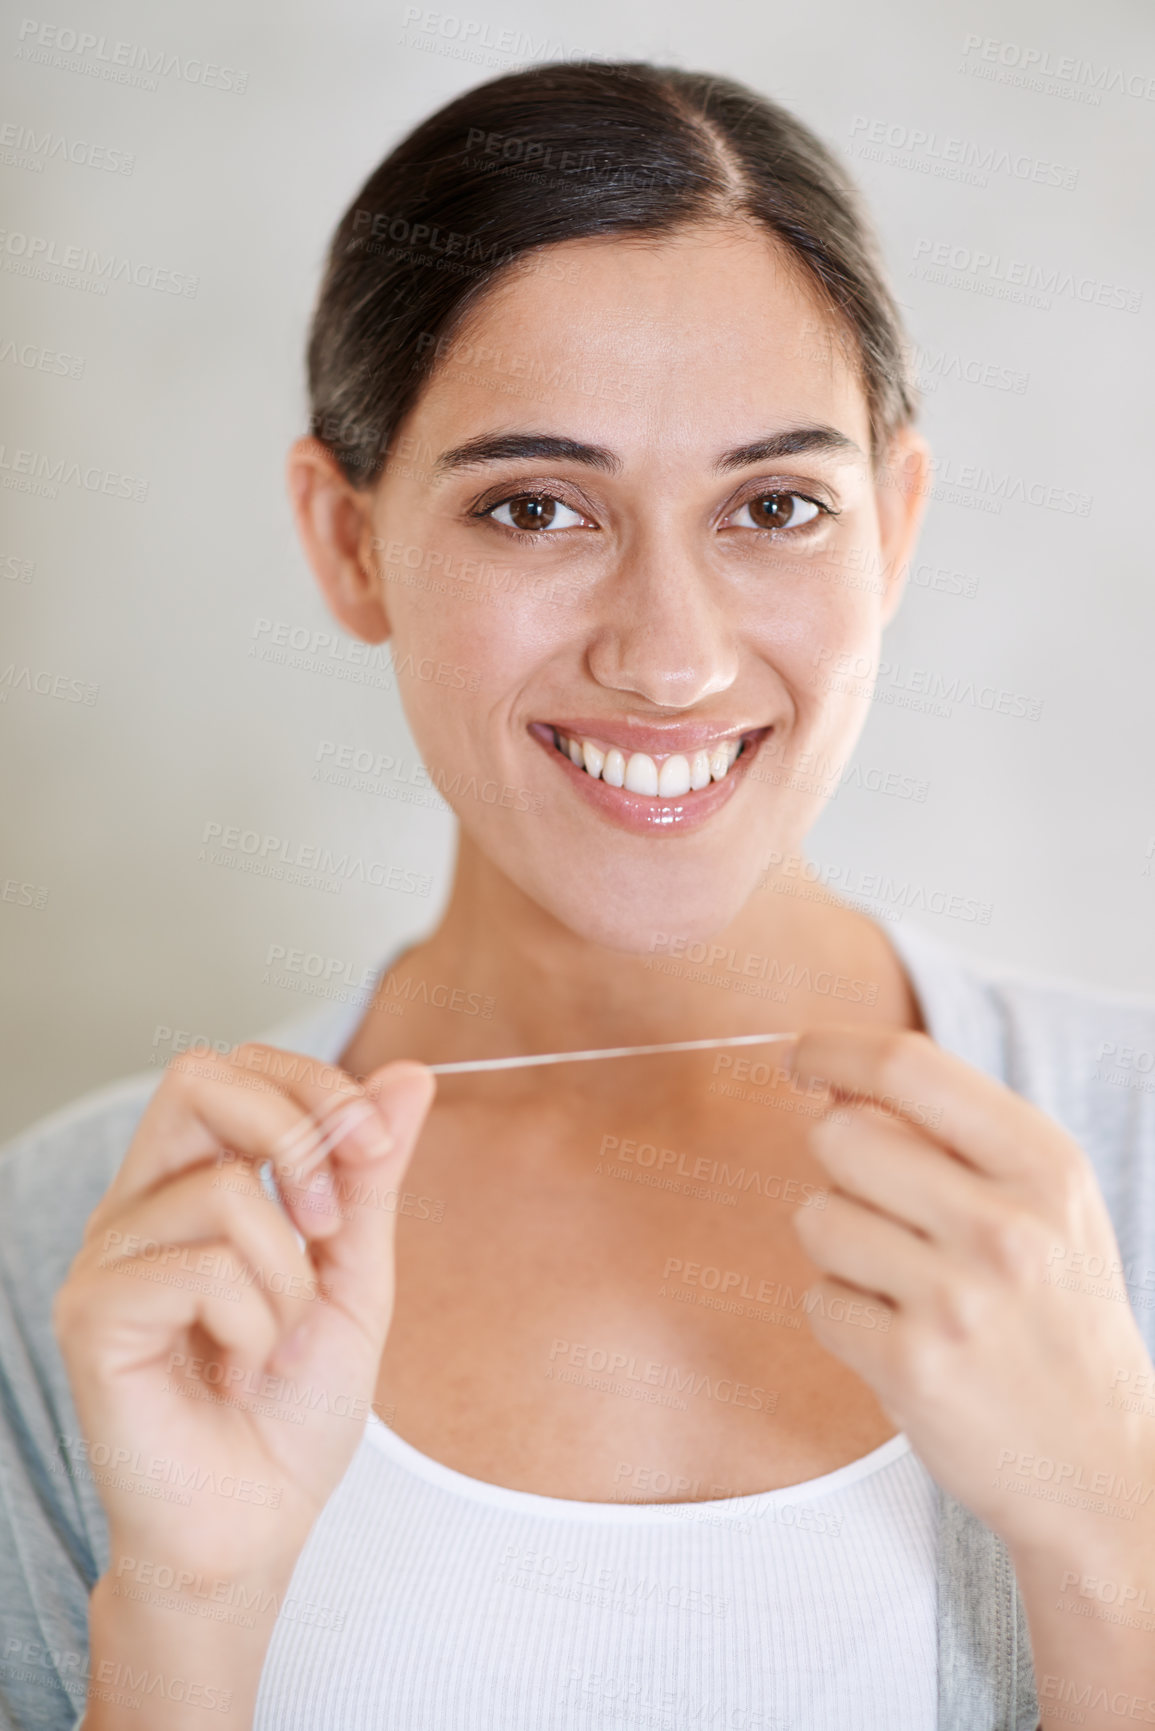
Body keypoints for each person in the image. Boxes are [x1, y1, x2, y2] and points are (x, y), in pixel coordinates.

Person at [1, 60, 1152, 1731]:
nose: (669, 655)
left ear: (891, 531)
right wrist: (183, 1611)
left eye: (775, 506)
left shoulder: (1133, 1161)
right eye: (535, 506)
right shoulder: (79, 1265)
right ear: (347, 541)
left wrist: (1115, 1541)